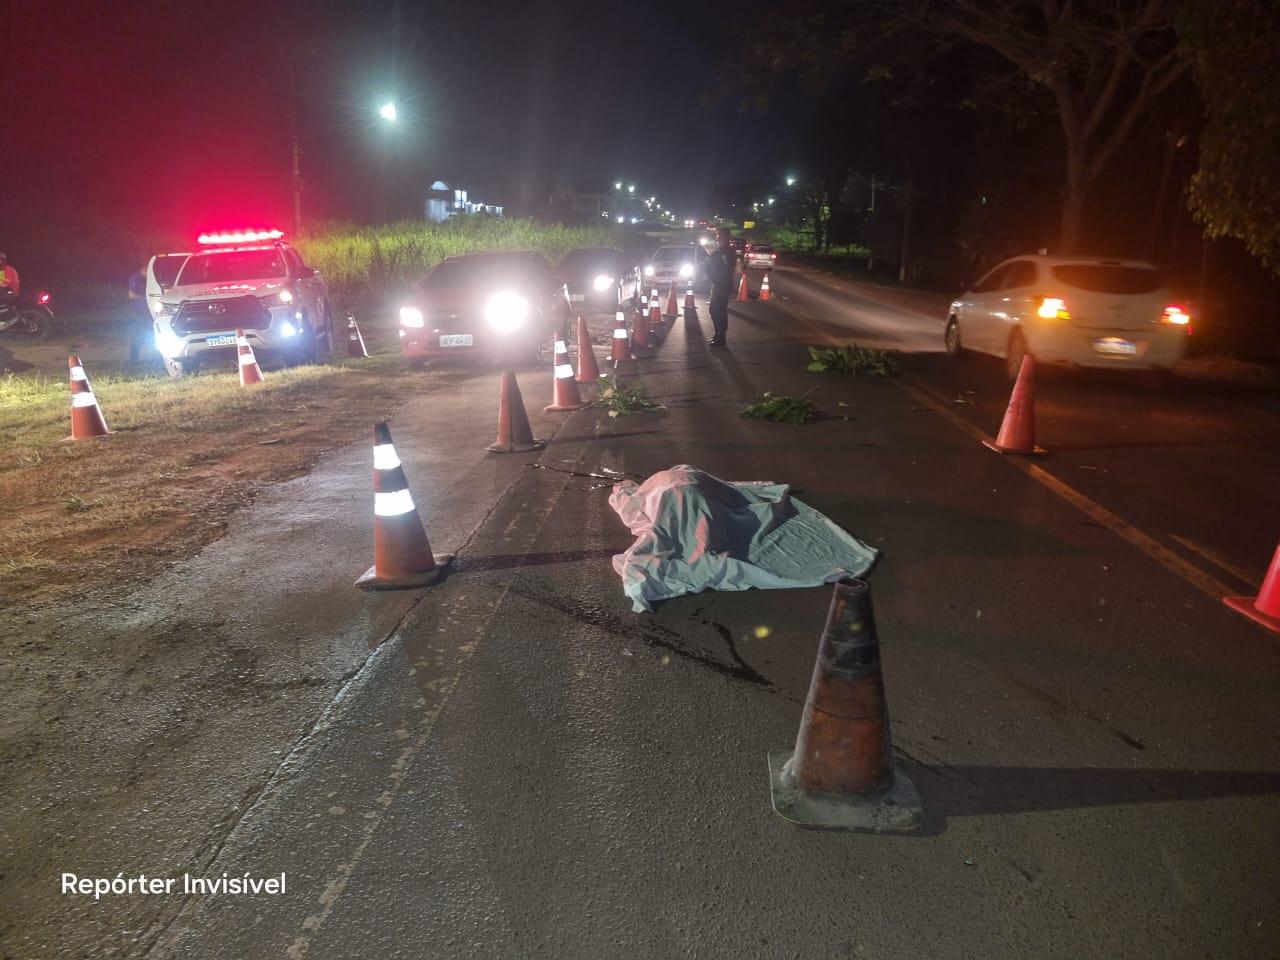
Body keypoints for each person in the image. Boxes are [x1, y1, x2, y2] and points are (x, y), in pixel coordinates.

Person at [704, 228, 736, 348]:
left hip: (722, 284)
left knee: (719, 311)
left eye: (719, 236)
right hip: (717, 283)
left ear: (726, 237)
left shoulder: (727, 252)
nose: (717, 238)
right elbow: (710, 263)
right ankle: (718, 334)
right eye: (717, 236)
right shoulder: (720, 251)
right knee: (714, 310)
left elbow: (725, 269)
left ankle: (721, 337)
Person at [126, 267, 153, 363]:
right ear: (144, 270)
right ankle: (133, 359)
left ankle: (154, 358)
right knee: (138, 335)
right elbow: (131, 295)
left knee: (151, 333)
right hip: (138, 312)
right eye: (148, 273)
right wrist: (146, 298)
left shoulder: (144, 279)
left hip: (146, 311)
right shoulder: (135, 278)